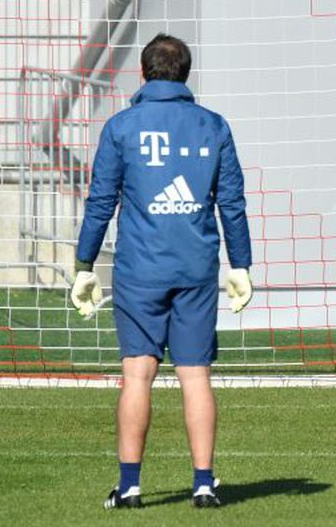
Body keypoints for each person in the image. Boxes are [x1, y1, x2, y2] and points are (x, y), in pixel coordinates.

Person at [71, 33, 254, 509]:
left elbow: (100, 203)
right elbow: (231, 204)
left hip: (139, 270)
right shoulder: (214, 126)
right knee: (196, 376)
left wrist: (83, 265)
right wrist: (242, 265)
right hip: (196, 269)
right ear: (186, 75)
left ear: (144, 74)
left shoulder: (121, 127)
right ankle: (204, 484)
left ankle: (130, 487)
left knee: (137, 375)